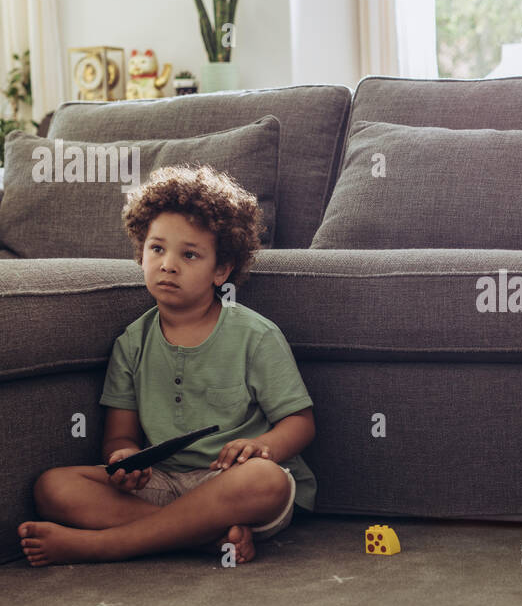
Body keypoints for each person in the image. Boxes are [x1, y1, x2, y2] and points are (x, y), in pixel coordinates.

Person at [19, 165, 317, 566]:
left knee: (267, 480)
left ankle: (104, 545)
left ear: (221, 270)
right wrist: (125, 461)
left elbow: (301, 423)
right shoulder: (131, 343)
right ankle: (202, 539)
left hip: (229, 485)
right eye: (157, 249)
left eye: (189, 254)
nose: (168, 264)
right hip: (160, 482)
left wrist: (262, 447)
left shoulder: (254, 335)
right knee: (53, 487)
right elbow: (118, 438)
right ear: (141, 251)